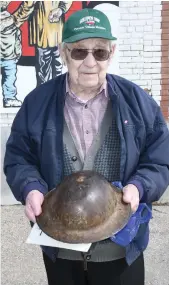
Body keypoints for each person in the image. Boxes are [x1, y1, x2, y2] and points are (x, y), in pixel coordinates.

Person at [4, 8, 169, 285]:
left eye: (100, 52)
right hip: (60, 246)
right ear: (63, 52)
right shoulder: (37, 104)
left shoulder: (138, 103)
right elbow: (18, 157)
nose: (90, 62)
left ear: (111, 52)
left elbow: (160, 158)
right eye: (80, 51)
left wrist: (139, 186)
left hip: (121, 248)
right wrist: (30, 187)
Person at [12, 1, 72, 86]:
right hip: (55, 31)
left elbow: (28, 5)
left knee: (44, 69)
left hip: (43, 32)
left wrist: (14, 21)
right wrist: (61, 9)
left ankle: (47, 94)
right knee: (56, 66)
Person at [0, 1, 22, 107]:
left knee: (10, 77)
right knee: (10, 78)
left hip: (9, 56)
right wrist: (18, 53)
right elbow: (17, 38)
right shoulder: (12, 21)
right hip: (9, 56)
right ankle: (9, 98)